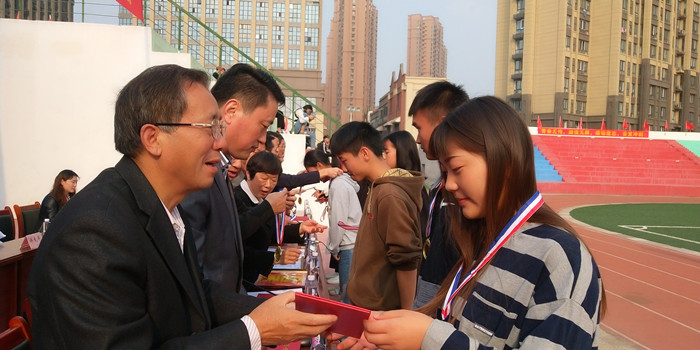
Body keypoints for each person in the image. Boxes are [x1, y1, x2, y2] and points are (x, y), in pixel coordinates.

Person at [28, 64, 335, 349]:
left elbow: (196, 293)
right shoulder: (94, 233)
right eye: (210, 128)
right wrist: (255, 330)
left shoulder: (161, 208)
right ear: (153, 138)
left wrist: (281, 312)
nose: (219, 142)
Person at [337, 96, 604, 350]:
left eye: (457, 169)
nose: (450, 185)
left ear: (504, 161)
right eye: (445, 171)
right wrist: (395, 337)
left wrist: (429, 338)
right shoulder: (480, 245)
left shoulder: (560, 258)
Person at [180, 63, 293, 294]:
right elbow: (199, 276)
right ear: (231, 111)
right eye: (263, 126)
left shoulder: (220, 169)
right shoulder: (197, 172)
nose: (263, 139)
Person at [330, 121, 423, 311]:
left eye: (345, 160)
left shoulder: (389, 194)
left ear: (364, 153)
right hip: (370, 305)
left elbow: (406, 259)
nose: (345, 168)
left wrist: (405, 316)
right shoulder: (378, 186)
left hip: (381, 311)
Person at [409, 81, 469, 308]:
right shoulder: (437, 187)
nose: (417, 139)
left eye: (418, 128)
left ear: (444, 125)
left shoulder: (466, 196)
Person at [235, 151, 326, 285]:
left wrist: (300, 228)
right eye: (264, 178)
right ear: (248, 174)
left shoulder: (261, 198)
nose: (268, 185)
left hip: (253, 276)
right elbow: (236, 247)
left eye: (273, 180)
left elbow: (265, 232)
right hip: (240, 278)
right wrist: (275, 258)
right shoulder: (237, 199)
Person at [303, 149, 361, 302]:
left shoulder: (338, 185)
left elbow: (339, 222)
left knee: (347, 296)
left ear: (319, 166)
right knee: (347, 292)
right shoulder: (338, 183)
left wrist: (333, 246)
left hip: (349, 245)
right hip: (350, 242)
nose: (312, 178)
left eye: (311, 173)